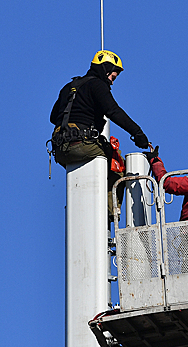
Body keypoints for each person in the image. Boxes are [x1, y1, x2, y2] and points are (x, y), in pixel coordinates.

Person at [49, 50, 150, 220]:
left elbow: (53, 117)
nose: (112, 80)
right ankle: (111, 213)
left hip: (59, 149)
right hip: (81, 145)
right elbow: (113, 111)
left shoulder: (68, 87)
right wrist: (138, 134)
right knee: (117, 166)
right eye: (113, 75)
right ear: (105, 68)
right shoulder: (97, 85)